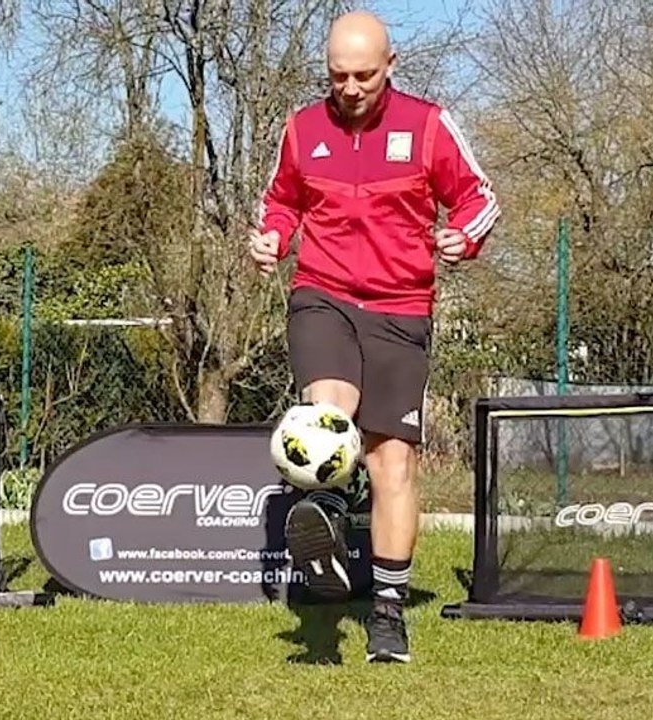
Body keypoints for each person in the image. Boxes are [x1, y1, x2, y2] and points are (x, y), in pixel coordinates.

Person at [248, 10, 500, 664]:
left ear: (391, 65)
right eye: (338, 76)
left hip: (401, 305)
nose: (351, 87)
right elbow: (281, 200)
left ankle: (387, 613)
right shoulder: (303, 129)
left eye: (364, 74)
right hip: (323, 293)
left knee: (393, 462)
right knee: (329, 411)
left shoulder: (427, 126)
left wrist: (463, 236)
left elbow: (477, 197)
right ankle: (326, 509)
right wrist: (273, 236)